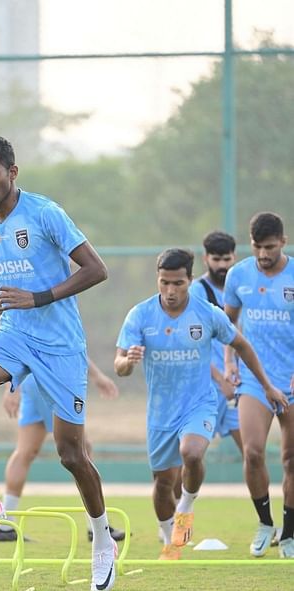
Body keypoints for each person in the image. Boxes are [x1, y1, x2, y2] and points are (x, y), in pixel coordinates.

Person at [0, 136, 117, 591]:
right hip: (14, 335)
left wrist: (39, 297)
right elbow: (2, 290)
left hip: (61, 346)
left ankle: (103, 539)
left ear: (13, 172)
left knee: (71, 455)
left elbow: (96, 269)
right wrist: (4, 361)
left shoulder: (45, 212)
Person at [114, 248, 287, 561]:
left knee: (191, 454)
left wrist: (266, 385)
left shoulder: (207, 313)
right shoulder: (140, 314)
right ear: (158, 279)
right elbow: (120, 365)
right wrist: (128, 360)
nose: (170, 290)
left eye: (178, 283)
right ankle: (171, 540)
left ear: (189, 280)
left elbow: (241, 345)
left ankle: (188, 505)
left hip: (200, 403)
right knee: (163, 483)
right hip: (160, 412)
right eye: (164, 282)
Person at [223, 212, 294, 559]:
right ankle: (266, 523)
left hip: (292, 378)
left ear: (283, 241)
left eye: (269, 247)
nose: (263, 254)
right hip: (254, 379)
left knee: (291, 458)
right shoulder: (238, 275)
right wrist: (228, 363)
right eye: (256, 247)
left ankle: (290, 533)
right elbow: (228, 326)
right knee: (252, 452)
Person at [0, 359, 126, 543]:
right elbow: (69, 346)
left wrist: (13, 385)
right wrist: (97, 376)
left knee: (25, 452)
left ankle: (5, 526)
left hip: (31, 382)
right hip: (51, 380)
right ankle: (96, 526)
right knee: (82, 450)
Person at [189, 231, 242, 453]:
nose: (222, 265)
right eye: (216, 259)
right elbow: (192, 346)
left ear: (234, 257)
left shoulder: (241, 288)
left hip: (238, 383)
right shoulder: (197, 292)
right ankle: (182, 490)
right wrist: (221, 381)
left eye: (226, 259)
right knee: (191, 453)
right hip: (208, 385)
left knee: (251, 450)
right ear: (206, 258)